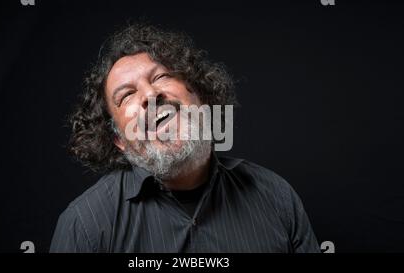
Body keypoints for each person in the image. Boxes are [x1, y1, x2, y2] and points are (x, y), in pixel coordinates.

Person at [49, 23, 320, 253]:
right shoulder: (84, 225)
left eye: (162, 76)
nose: (150, 95)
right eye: (126, 95)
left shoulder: (275, 196)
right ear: (118, 138)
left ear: (199, 95)